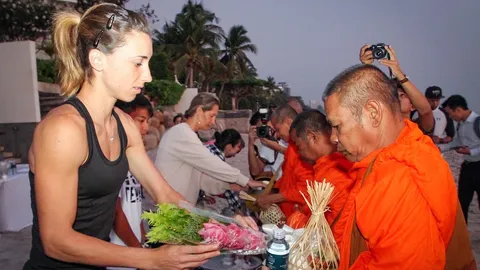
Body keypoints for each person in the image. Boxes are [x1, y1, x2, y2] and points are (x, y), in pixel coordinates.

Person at [25, 4, 222, 269]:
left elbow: (164, 194)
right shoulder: (62, 131)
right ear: (98, 60)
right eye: (138, 63)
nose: (149, 75)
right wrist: (152, 259)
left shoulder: (125, 126)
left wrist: (224, 229)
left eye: (148, 63)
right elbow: (56, 240)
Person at [323, 64, 459, 269]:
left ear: (373, 113)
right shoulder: (383, 161)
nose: (333, 138)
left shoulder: (401, 180)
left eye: (337, 126)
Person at [154, 93, 265, 205]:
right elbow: (211, 163)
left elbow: (199, 178)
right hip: (170, 213)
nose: (213, 122)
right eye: (212, 116)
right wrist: (246, 180)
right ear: (199, 111)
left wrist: (229, 185)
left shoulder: (188, 134)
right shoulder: (181, 133)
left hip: (179, 211)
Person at [289, 109, 354, 244]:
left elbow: (321, 232)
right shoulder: (340, 163)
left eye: (298, 146)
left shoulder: (330, 176)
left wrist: (293, 220)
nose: (299, 152)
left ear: (312, 137)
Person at [359, 44, 434, 134]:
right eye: (394, 95)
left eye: (402, 95)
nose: (397, 98)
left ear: (413, 106)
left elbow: (425, 111)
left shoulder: (418, 128)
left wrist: (399, 74)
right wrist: (367, 67)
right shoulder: (381, 129)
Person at [255, 104, 314, 218]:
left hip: (300, 216)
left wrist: (272, 198)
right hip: (287, 214)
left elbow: (305, 189)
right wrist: (269, 193)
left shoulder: (303, 148)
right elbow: (287, 178)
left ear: (288, 121)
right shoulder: (292, 147)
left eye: (277, 129)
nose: (277, 134)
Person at [440, 95, 480, 223]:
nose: (451, 117)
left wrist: (471, 151)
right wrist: (439, 148)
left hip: (479, 166)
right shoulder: (460, 125)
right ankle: (463, 238)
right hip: (467, 167)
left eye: (450, 114)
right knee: (462, 203)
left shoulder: (477, 122)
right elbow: (457, 142)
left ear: (458, 110)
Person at [200, 129, 248, 215]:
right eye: (236, 151)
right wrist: (239, 211)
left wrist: (203, 195)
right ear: (229, 147)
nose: (234, 156)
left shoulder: (210, 148)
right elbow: (228, 189)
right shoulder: (216, 157)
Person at [247, 111, 285, 179]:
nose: (263, 131)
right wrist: (251, 144)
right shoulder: (292, 138)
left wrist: (250, 145)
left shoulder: (268, 146)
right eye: (260, 129)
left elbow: (255, 172)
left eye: (264, 127)